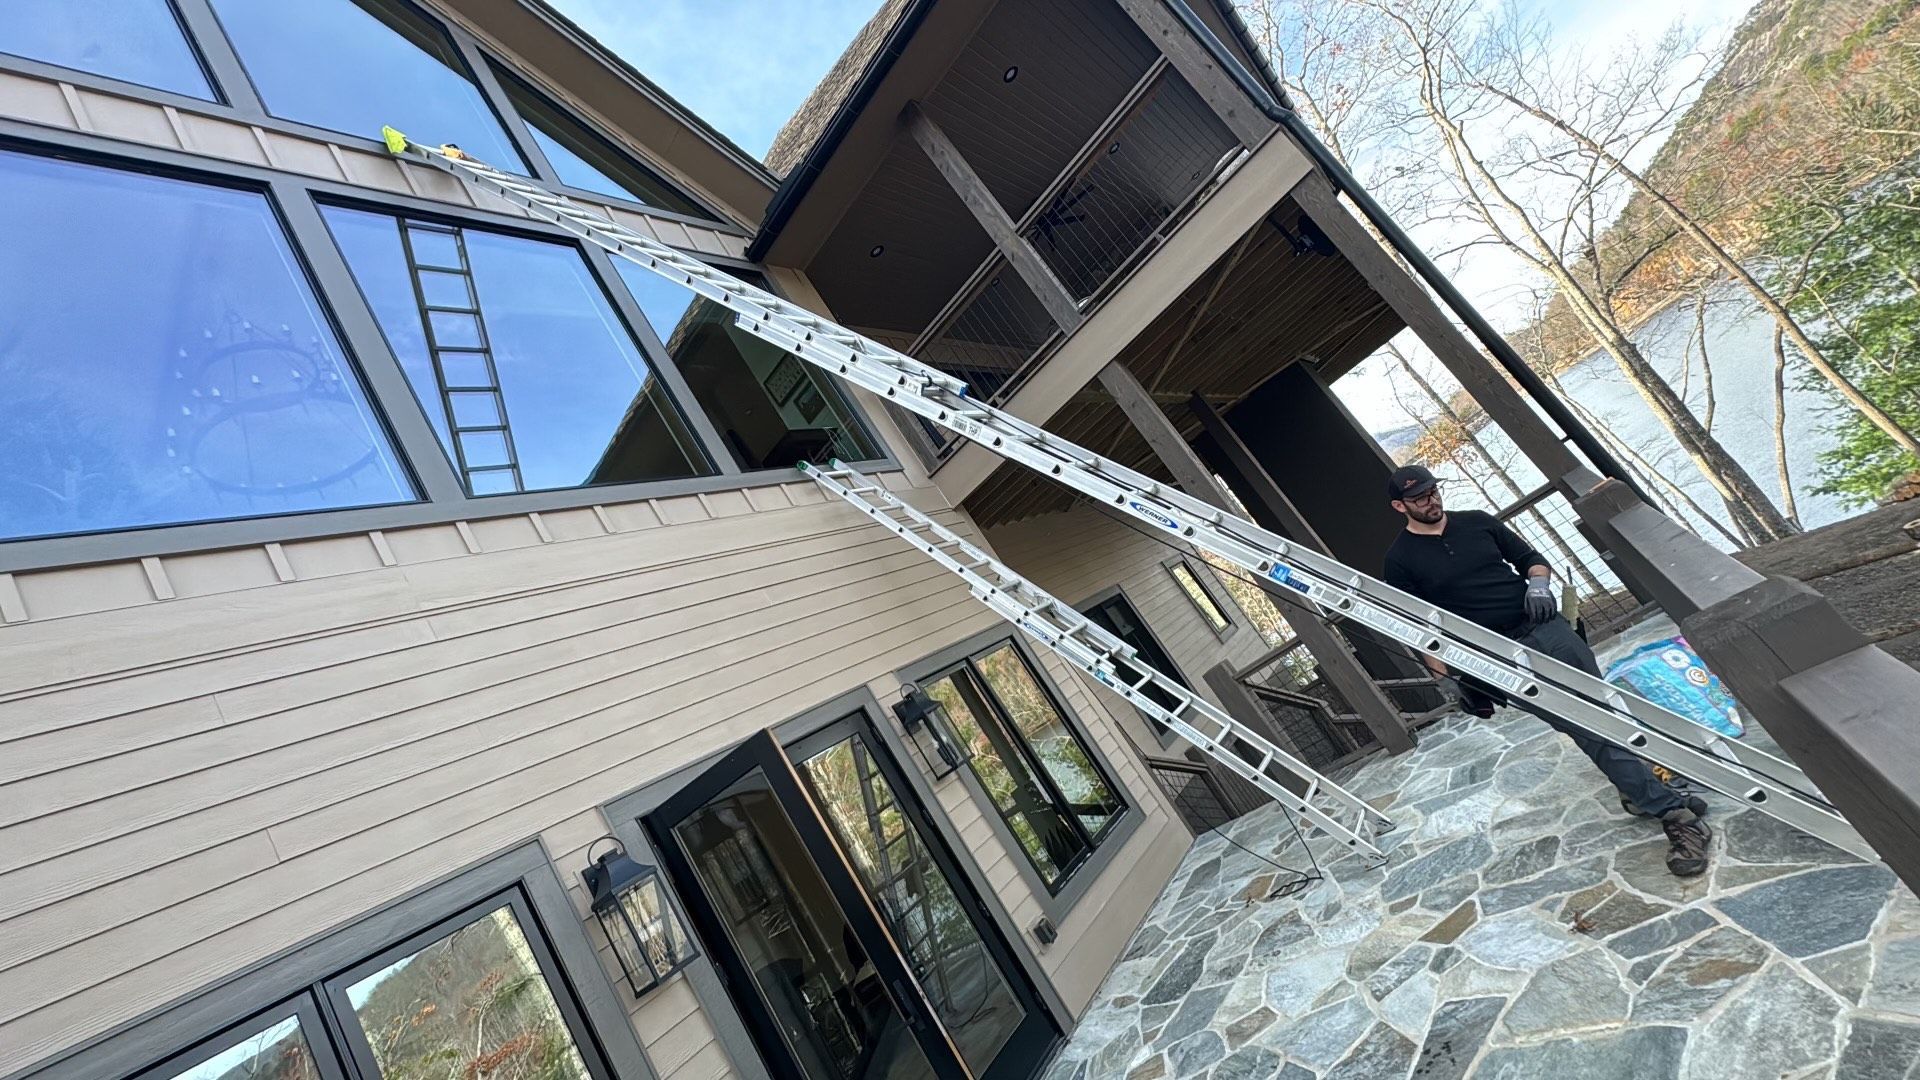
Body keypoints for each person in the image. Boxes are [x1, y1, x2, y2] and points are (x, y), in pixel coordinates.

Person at [1380, 464, 1712, 877]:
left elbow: (1531, 560)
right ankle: (1674, 814)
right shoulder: (1399, 561)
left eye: (1433, 491)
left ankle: (1643, 791)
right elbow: (1421, 627)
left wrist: (1539, 586)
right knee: (1585, 726)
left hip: (1546, 628)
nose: (1431, 501)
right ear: (1400, 506)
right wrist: (1446, 680)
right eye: (1419, 498)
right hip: (1498, 656)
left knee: (1606, 711)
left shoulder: (1478, 522)